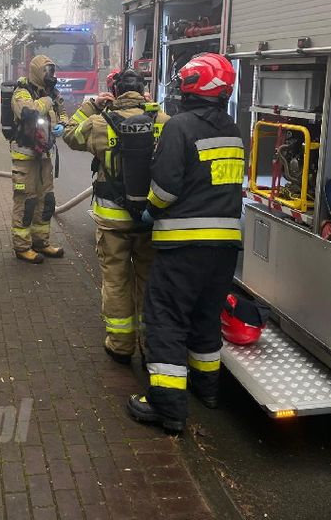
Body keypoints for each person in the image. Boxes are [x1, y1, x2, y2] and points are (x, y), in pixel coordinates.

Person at [127, 52, 245, 435]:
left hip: (183, 247)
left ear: (194, 85)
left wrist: (149, 210)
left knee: (166, 320)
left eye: (182, 83)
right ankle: (207, 391)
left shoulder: (179, 127)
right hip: (225, 248)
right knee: (205, 319)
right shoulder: (233, 129)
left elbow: (164, 188)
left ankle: (167, 407)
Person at [62, 69, 168, 365]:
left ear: (116, 92)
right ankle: (151, 344)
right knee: (149, 280)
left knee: (116, 280)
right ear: (144, 91)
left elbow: (69, 133)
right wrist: (153, 106)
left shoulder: (99, 122)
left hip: (112, 222)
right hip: (149, 220)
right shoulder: (161, 120)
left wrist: (92, 105)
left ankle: (121, 345)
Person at [9, 54, 68, 263]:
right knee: (26, 201)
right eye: (47, 71)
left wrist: (62, 124)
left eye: (52, 71)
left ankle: (41, 243)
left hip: (44, 156)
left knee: (46, 200)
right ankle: (22, 247)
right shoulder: (22, 92)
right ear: (37, 71)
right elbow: (28, 112)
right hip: (25, 158)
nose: (51, 75)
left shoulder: (52, 92)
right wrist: (48, 99)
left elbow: (62, 111)